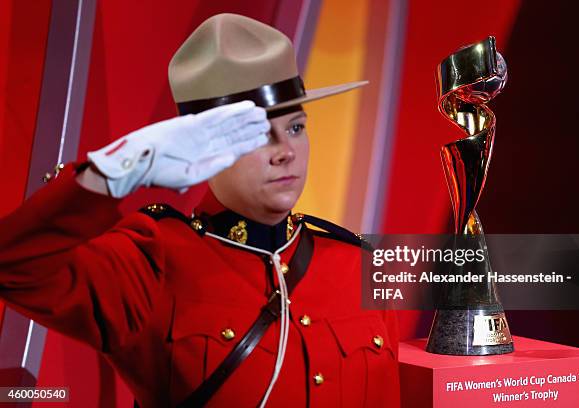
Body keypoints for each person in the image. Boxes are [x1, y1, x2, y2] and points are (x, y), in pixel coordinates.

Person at [0, 13, 400, 407]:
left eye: (296, 127)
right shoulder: (153, 262)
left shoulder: (359, 263)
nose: (286, 152)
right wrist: (111, 172)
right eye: (257, 134)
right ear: (199, 142)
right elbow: (15, 267)